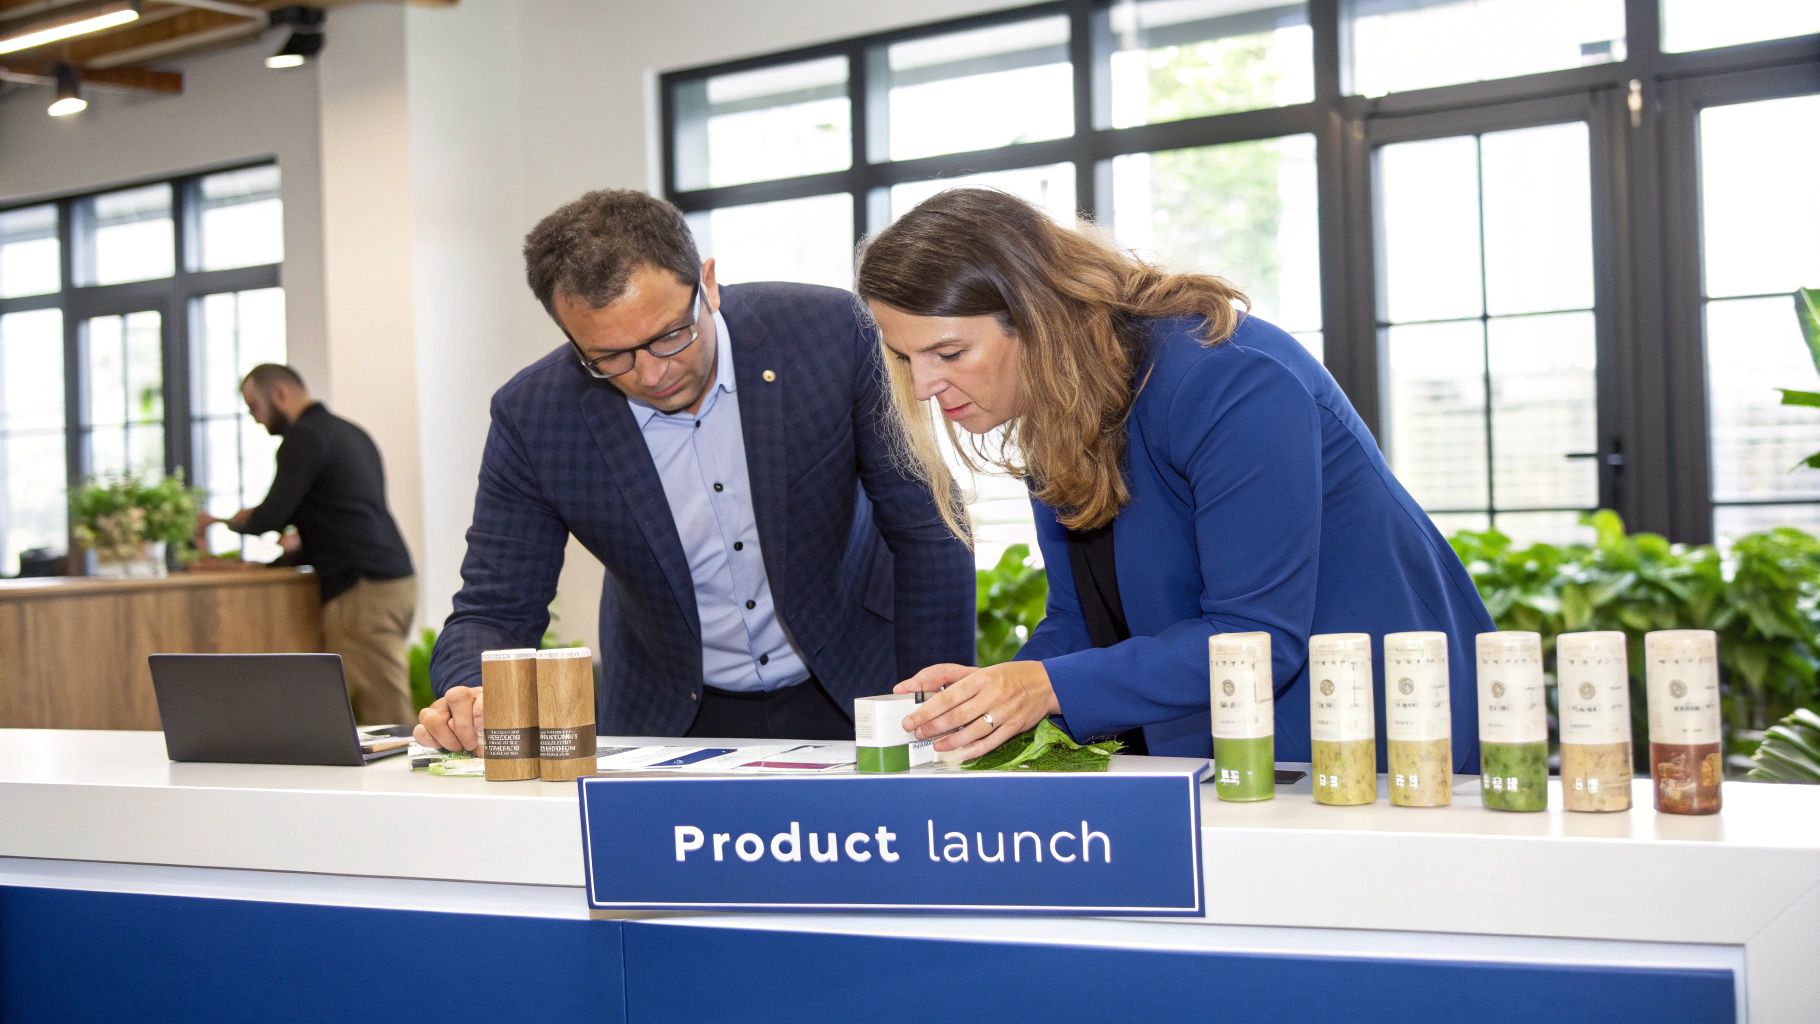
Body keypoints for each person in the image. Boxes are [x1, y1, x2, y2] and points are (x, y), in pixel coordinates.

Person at [857, 187, 1492, 770]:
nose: (922, 386)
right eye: (905, 357)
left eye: (948, 354)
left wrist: (1040, 688)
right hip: (1224, 736)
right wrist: (989, 695)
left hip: (1374, 727)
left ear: (1038, 318)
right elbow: (1082, 621)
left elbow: (1258, 641)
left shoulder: (1227, 377)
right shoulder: (1057, 408)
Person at [416, 189, 974, 753]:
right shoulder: (535, 417)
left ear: (707, 282)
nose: (651, 374)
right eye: (609, 358)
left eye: (668, 336)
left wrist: (938, 701)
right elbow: (495, 606)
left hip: (861, 685)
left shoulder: (830, 335)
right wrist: (471, 693)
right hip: (668, 713)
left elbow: (928, 527)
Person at [200, 364, 418, 725]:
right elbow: (334, 518)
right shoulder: (350, 432)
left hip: (361, 589)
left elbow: (271, 516)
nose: (256, 419)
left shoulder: (304, 438)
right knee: (373, 701)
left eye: (254, 407)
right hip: (393, 579)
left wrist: (225, 521)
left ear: (280, 394)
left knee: (383, 712)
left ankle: (406, 783)